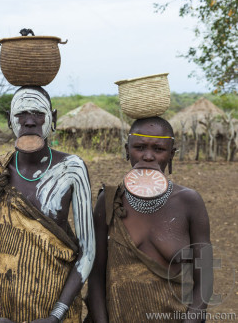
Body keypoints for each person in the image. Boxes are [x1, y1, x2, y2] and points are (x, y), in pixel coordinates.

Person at [0, 86, 95, 323]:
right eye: (20, 114)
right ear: (9, 121)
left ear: (53, 118)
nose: (29, 122)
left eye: (38, 113)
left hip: (56, 308)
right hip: (1, 311)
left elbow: (88, 251)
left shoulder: (72, 169)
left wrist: (56, 315)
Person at [86, 116, 212, 323]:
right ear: (127, 150)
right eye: (139, 147)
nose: (148, 156)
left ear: (171, 154)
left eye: (159, 149)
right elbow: (96, 275)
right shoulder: (108, 201)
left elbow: (205, 276)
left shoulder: (189, 202)